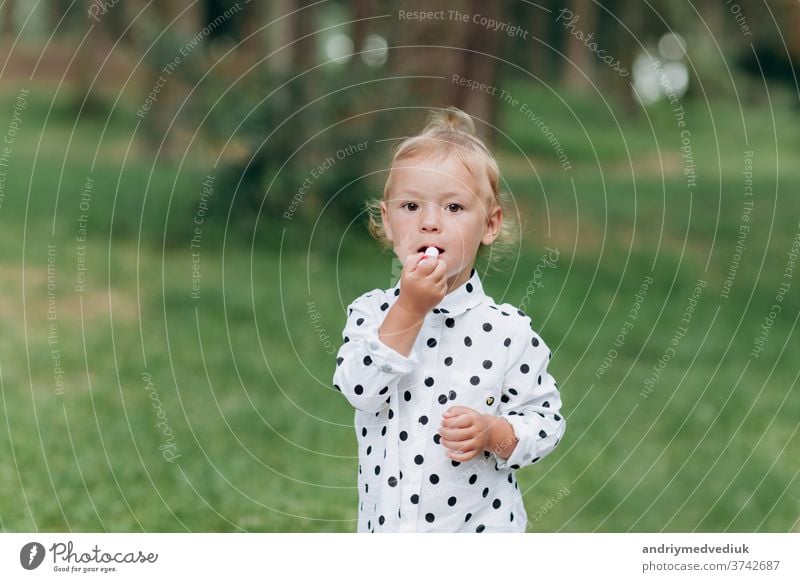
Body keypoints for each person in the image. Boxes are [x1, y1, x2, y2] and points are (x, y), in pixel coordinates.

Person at [333, 107, 566, 533]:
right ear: (387, 220)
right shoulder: (371, 314)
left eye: (454, 206)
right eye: (410, 206)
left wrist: (495, 432)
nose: (429, 223)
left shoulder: (510, 333)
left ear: (490, 224)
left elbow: (546, 422)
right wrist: (409, 309)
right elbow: (360, 391)